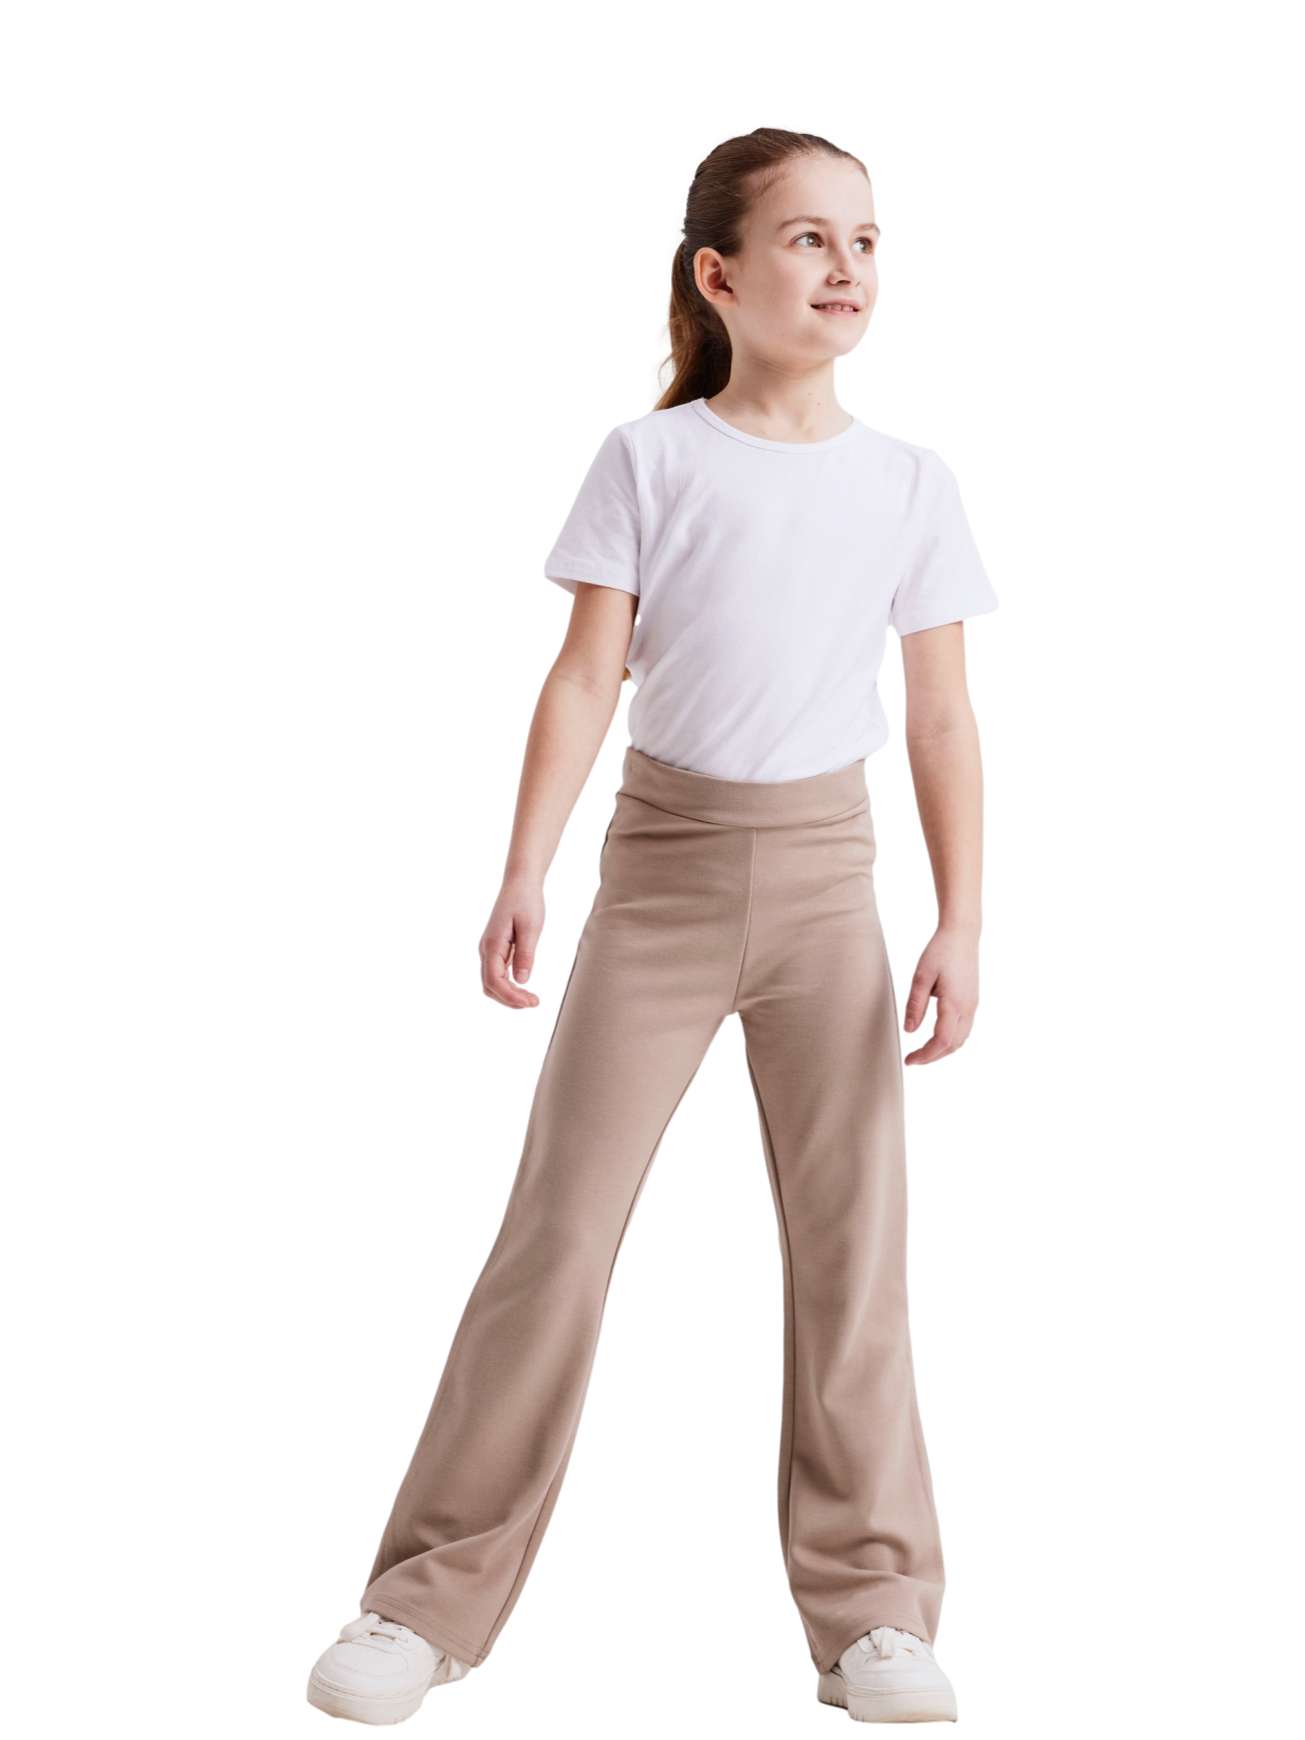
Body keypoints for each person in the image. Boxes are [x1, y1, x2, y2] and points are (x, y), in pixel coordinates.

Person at [307, 126, 998, 1727]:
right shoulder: (651, 458)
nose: (846, 267)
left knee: (851, 1253)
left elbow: (942, 720)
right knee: (557, 1233)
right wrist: (523, 868)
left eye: (866, 240)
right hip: (662, 877)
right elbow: (582, 676)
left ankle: (874, 1614)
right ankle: (424, 1600)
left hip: (827, 883)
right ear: (718, 275)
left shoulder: (909, 483)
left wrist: (961, 920)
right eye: (809, 238)